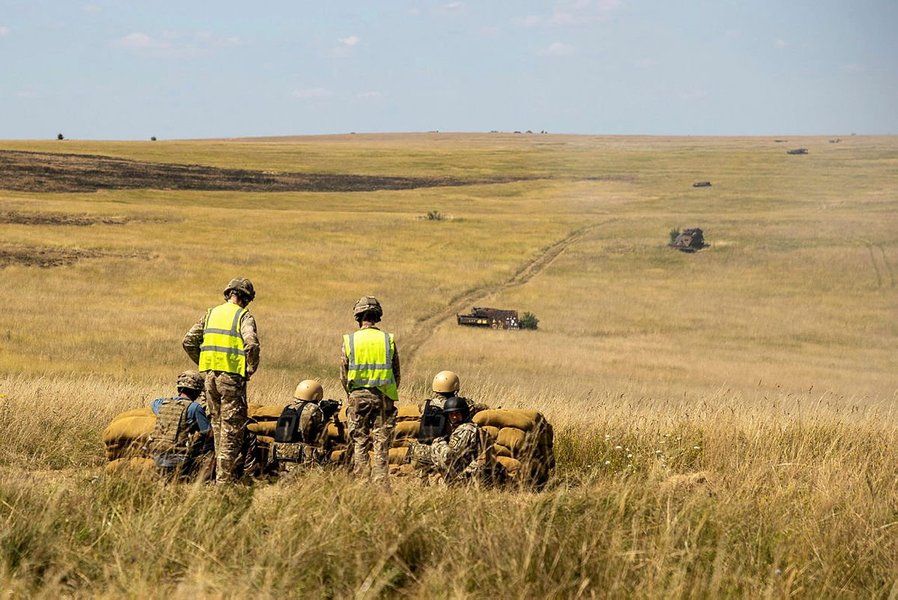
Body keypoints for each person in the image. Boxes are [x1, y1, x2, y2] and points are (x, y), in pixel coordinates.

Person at [182, 277, 261, 483]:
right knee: (232, 429)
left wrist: (204, 363)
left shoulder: (211, 314)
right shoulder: (243, 316)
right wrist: (249, 368)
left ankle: (218, 475)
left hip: (210, 378)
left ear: (229, 293)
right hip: (231, 379)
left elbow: (189, 340)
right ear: (245, 298)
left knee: (217, 426)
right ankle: (225, 481)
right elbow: (251, 344)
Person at [340, 296, 400, 487]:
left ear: (358, 316)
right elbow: (396, 373)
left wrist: (352, 394)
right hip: (383, 398)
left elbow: (344, 374)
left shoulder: (350, 340)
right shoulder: (387, 339)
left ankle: (362, 484)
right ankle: (381, 486)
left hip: (357, 398)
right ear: (378, 316)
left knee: (360, 442)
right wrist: (387, 392)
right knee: (381, 444)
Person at [409, 396, 505, 487]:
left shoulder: (466, 429)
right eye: (451, 414)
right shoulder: (460, 428)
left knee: (421, 452)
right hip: (465, 472)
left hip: (468, 478)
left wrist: (437, 442)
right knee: (419, 451)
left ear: (464, 413)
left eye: (457, 414)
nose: (454, 417)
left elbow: (448, 456)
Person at [147, 370, 214, 478]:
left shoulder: (161, 404)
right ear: (196, 391)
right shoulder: (194, 408)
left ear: (179, 388)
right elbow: (209, 433)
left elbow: (153, 402)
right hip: (179, 460)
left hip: (157, 456)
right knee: (212, 445)